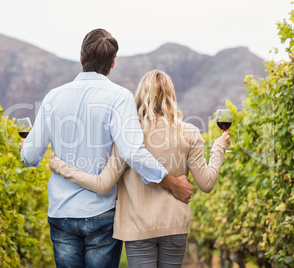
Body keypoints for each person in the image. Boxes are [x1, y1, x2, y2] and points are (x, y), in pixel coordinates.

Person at [19, 29, 193, 268]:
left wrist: (26, 148)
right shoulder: (120, 97)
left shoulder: (52, 97)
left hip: (62, 212)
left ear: (81, 59)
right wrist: (173, 183)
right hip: (102, 214)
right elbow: (133, 153)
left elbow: (29, 156)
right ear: (112, 63)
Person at [49, 70, 231, 267]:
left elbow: (102, 185)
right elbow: (207, 183)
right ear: (172, 96)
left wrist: (60, 166)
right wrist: (219, 147)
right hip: (175, 226)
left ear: (141, 95)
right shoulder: (189, 133)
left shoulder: (127, 136)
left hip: (137, 228)